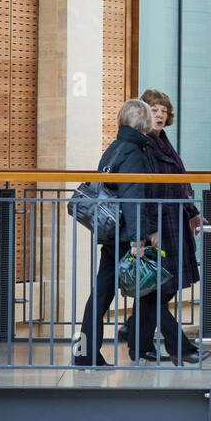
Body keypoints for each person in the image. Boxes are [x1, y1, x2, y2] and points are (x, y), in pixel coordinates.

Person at [118, 89, 209, 365]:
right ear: (144, 114)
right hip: (157, 226)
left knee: (159, 289)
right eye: (154, 109)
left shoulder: (165, 143)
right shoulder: (143, 144)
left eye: (164, 111)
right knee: (156, 289)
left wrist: (193, 213)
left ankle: (137, 338)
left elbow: (180, 183)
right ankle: (179, 347)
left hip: (174, 221)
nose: (159, 115)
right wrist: (148, 230)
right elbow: (140, 191)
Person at [73, 99, 158, 367]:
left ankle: (85, 354)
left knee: (101, 295)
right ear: (143, 123)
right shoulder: (133, 153)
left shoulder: (113, 148)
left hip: (111, 234)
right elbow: (133, 199)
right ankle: (152, 345)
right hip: (124, 237)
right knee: (149, 290)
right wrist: (137, 241)